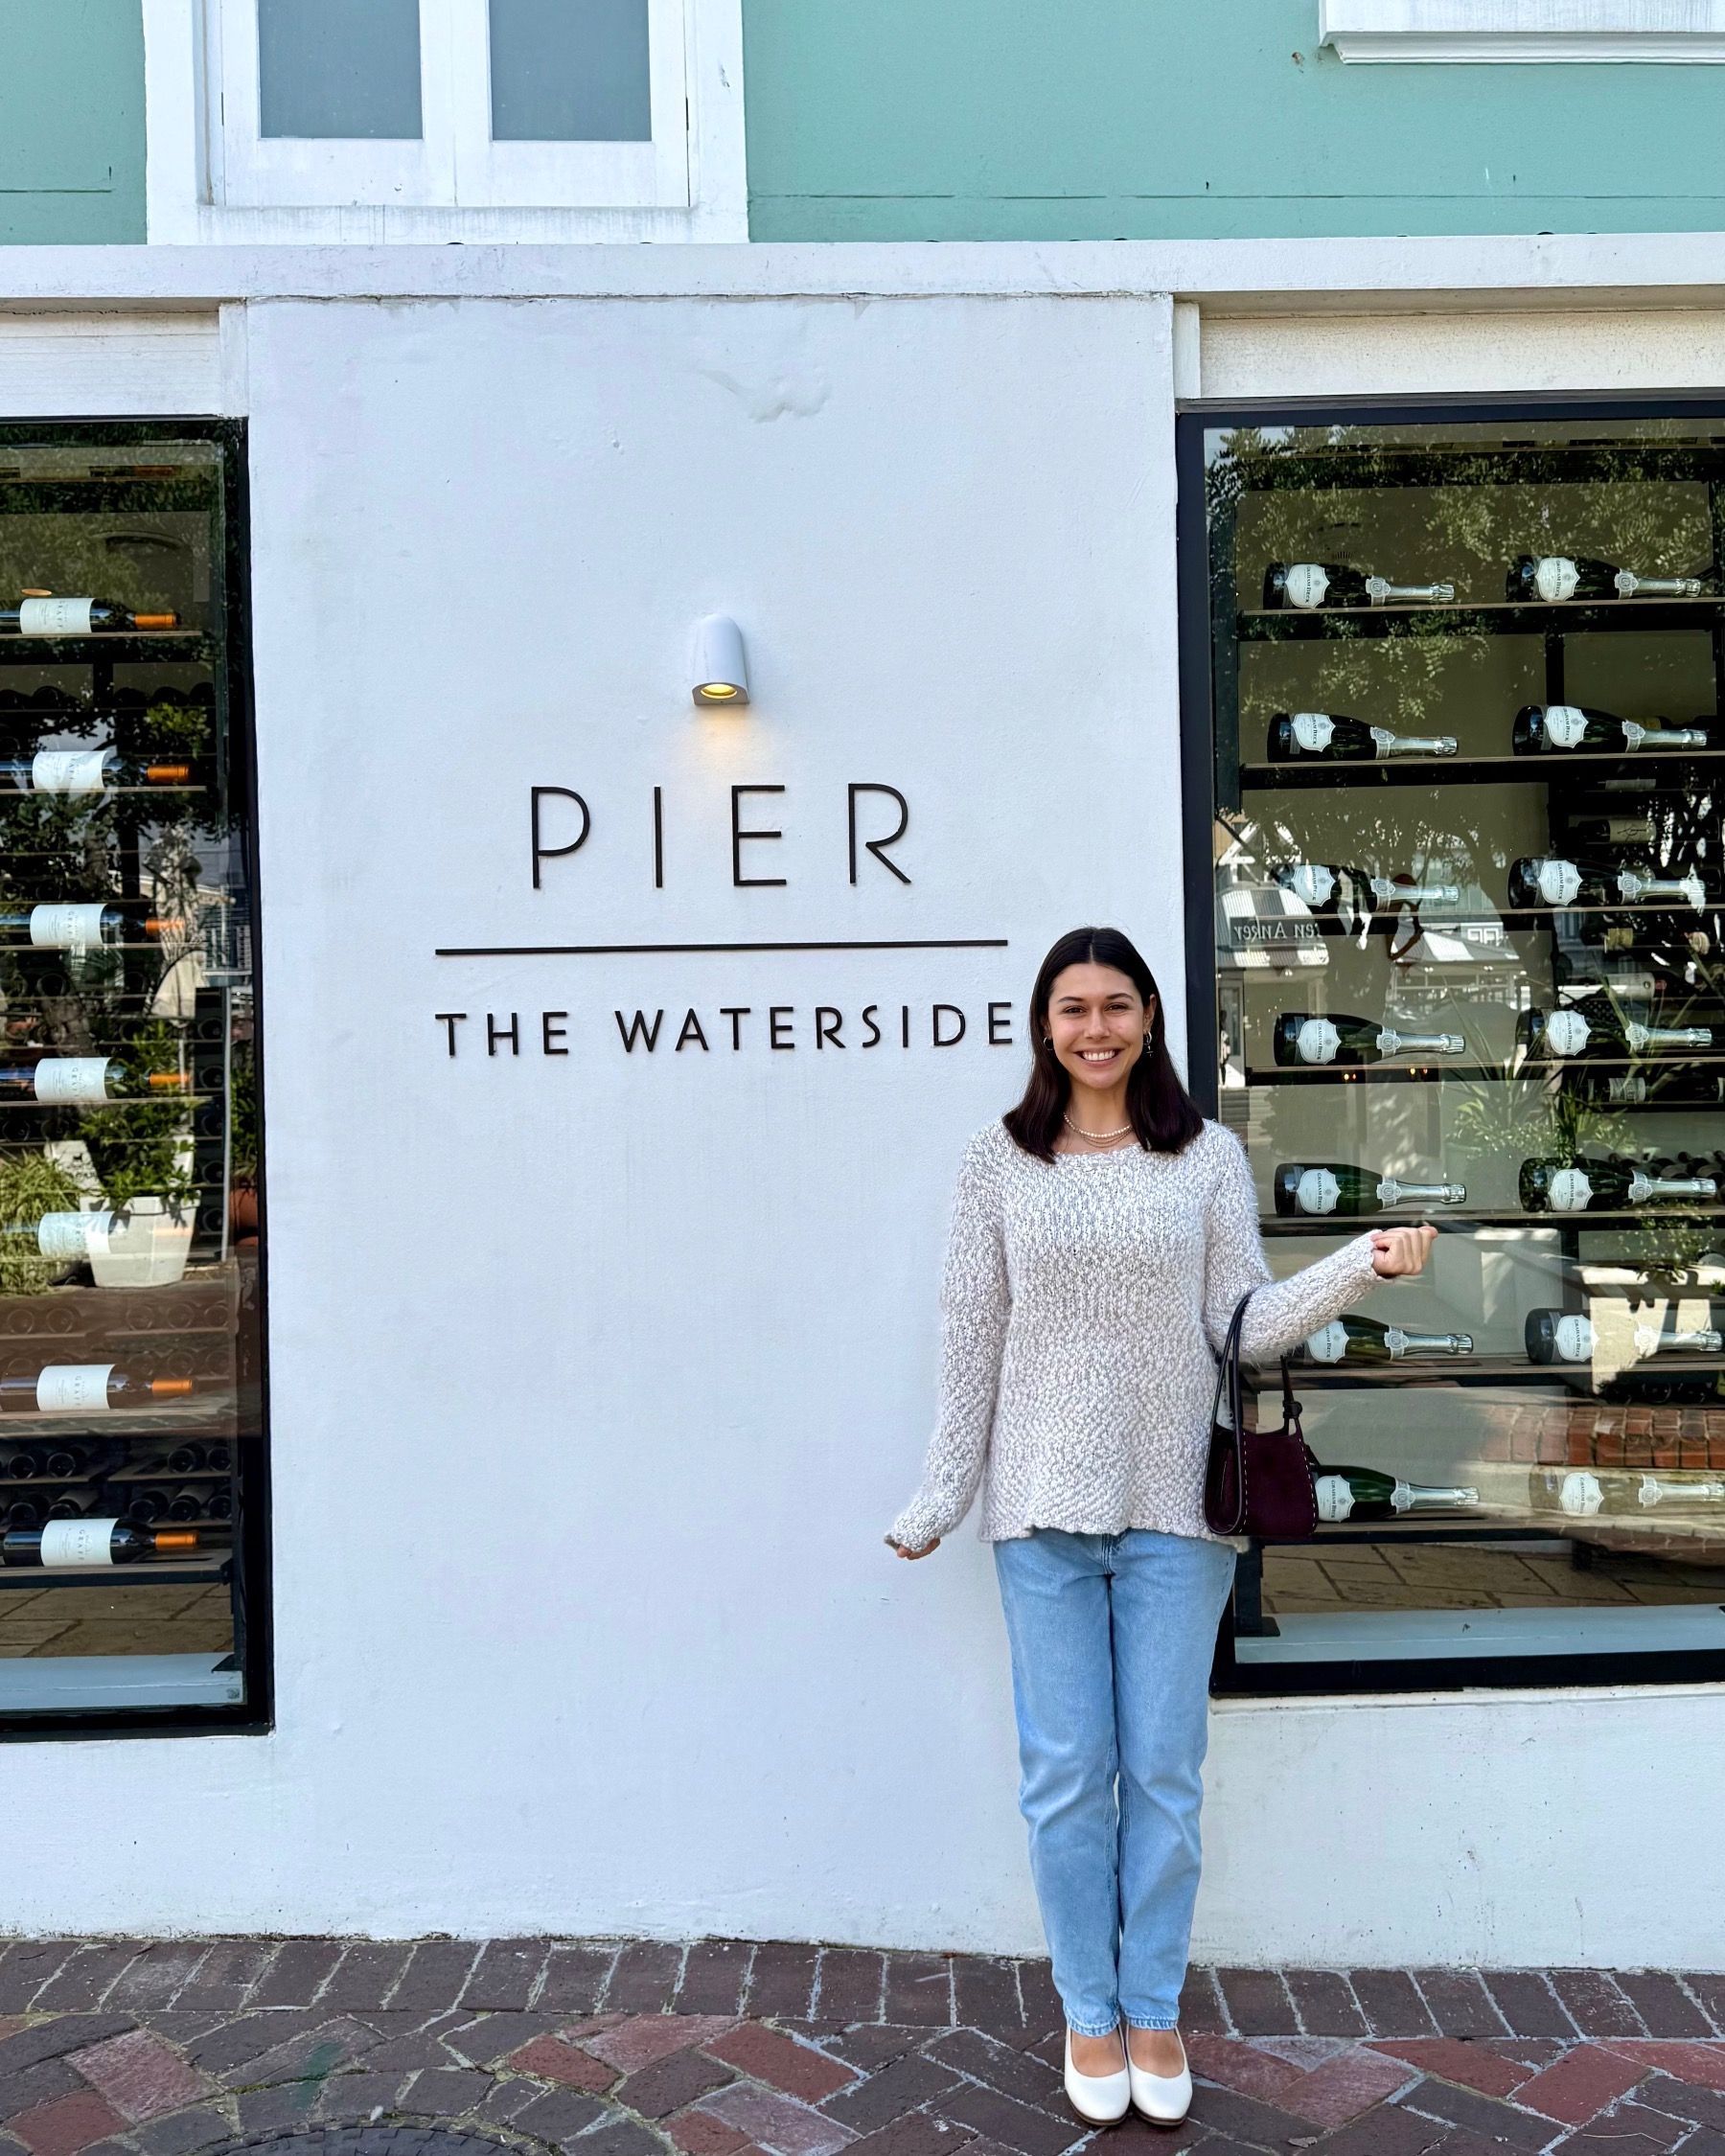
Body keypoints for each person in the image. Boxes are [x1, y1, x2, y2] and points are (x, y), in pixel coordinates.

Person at [884, 926, 1434, 2128]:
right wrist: (944, 1493)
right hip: (1040, 1513)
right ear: (1045, 1026)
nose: (1096, 1028)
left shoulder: (1206, 1158)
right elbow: (971, 1336)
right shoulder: (997, 1161)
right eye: (1073, 1008)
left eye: (1116, 1006)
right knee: (1066, 1780)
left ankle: (1152, 2011)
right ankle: (1089, 2013)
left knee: (1166, 1777)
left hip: (1180, 1512)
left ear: (1148, 1020)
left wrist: (1360, 1263)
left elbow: (1246, 1323)